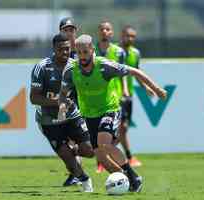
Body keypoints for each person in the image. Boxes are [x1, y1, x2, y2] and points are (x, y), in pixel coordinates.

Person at [58, 34, 167, 192]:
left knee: (104, 144)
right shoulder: (71, 71)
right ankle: (128, 180)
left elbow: (135, 71)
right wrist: (62, 106)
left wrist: (156, 89)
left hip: (109, 109)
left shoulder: (104, 66)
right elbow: (62, 93)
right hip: (89, 115)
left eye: (85, 52)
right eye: (79, 52)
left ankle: (132, 176)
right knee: (101, 156)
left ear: (92, 50)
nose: (82, 56)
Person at [30, 33, 94, 192]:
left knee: (90, 150)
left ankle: (72, 150)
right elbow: (34, 98)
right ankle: (85, 180)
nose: (65, 53)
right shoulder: (42, 67)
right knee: (67, 158)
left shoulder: (75, 66)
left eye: (67, 49)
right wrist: (58, 102)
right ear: (54, 49)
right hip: (48, 120)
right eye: (61, 49)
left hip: (72, 116)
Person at [94, 20, 125, 173]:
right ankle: (102, 160)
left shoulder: (119, 52)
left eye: (107, 29)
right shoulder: (91, 51)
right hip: (95, 99)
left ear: (111, 33)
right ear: (98, 32)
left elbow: (123, 74)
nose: (104, 31)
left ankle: (105, 158)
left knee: (117, 133)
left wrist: (124, 90)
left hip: (115, 97)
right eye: (102, 29)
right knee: (98, 136)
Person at [59, 17, 82, 187]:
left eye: (71, 30)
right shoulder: (58, 53)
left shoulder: (84, 50)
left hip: (85, 100)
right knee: (70, 140)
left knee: (79, 140)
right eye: (65, 30)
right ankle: (76, 173)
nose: (69, 33)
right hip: (68, 101)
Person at [117, 25, 142, 167]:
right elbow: (121, 73)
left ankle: (110, 155)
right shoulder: (114, 51)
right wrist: (123, 89)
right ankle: (125, 157)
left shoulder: (135, 53)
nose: (130, 38)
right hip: (115, 95)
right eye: (127, 35)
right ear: (122, 35)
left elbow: (137, 73)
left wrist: (147, 87)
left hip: (129, 96)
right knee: (119, 127)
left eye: (133, 36)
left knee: (124, 128)